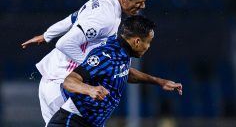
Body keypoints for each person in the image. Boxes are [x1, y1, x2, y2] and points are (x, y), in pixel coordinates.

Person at [21, 0, 152, 124]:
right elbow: (64, 43)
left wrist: (47, 35)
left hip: (54, 79)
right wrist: (93, 66)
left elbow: (73, 17)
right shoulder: (105, 18)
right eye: (139, 2)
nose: (142, 6)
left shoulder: (101, 1)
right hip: (60, 82)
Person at [47, 15, 182, 127]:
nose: (149, 46)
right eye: (148, 42)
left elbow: (125, 72)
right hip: (72, 121)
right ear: (137, 41)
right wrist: (90, 90)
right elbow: (69, 81)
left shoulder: (122, 53)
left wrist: (160, 82)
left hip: (92, 123)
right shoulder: (106, 55)